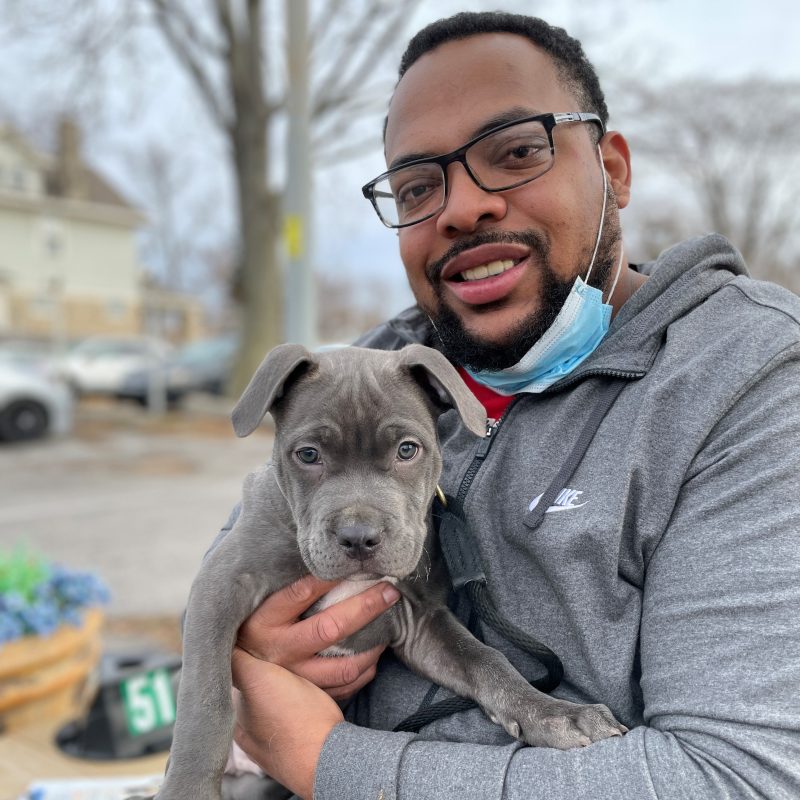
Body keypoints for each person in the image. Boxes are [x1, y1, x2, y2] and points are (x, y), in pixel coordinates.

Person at [224, 11, 800, 799]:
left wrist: (326, 762)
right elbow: (229, 607)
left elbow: (741, 779)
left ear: (614, 169)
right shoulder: (371, 376)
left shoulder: (745, 380)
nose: (461, 208)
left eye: (517, 152)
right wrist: (245, 649)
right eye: (417, 186)